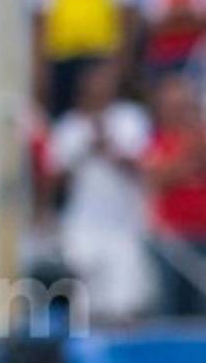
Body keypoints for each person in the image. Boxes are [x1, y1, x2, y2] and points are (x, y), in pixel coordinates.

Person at [49, 60, 154, 322]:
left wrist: (110, 148)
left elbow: (145, 165)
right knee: (83, 304)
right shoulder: (68, 127)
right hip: (82, 224)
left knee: (125, 305)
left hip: (124, 227)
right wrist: (85, 149)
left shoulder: (132, 118)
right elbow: (56, 181)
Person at [142, 73, 206, 314]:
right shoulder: (157, 141)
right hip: (173, 241)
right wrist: (189, 153)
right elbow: (156, 179)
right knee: (171, 306)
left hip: (203, 234)